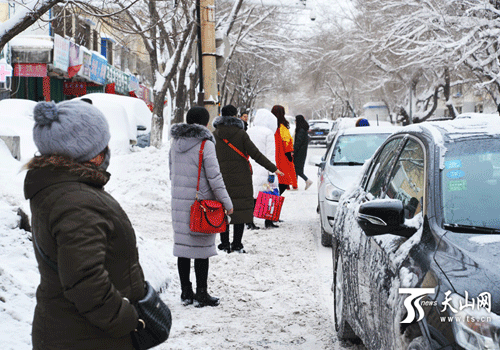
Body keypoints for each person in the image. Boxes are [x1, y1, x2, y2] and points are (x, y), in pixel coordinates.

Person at [24, 100, 146, 350]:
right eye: (103, 144)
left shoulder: (58, 188)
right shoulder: (77, 202)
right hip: (87, 337)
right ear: (92, 155)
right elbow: (85, 281)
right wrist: (126, 320)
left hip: (70, 330)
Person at [170, 106, 233, 307]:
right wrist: (227, 203)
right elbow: (215, 177)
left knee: (183, 248)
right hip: (201, 204)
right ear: (205, 123)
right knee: (201, 249)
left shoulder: (175, 142)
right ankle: (202, 293)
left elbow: (172, 172)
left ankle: (185, 292)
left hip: (179, 201)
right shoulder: (205, 144)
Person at [213, 104, 284, 252]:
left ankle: (224, 243)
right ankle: (237, 244)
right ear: (234, 116)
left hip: (220, 177)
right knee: (240, 210)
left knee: (222, 209)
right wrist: (273, 168)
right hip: (241, 178)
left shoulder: (214, 135)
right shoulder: (241, 134)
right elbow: (256, 154)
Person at [247, 108, 281, 229]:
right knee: (268, 195)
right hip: (264, 168)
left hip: (251, 168)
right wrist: (272, 171)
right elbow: (270, 154)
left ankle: (249, 222)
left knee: (252, 196)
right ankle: (268, 221)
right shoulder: (268, 133)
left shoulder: (249, 131)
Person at [271, 105, 298, 194]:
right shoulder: (282, 127)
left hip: (270, 157)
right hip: (282, 159)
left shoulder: (270, 126)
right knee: (281, 183)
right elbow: (287, 143)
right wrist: (290, 155)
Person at [294, 115, 313, 190]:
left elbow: (298, 142)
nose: (295, 122)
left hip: (299, 152)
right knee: (296, 168)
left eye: (296, 120)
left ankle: (307, 181)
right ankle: (295, 184)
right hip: (301, 152)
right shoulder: (303, 129)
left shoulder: (301, 130)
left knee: (297, 169)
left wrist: (294, 151)